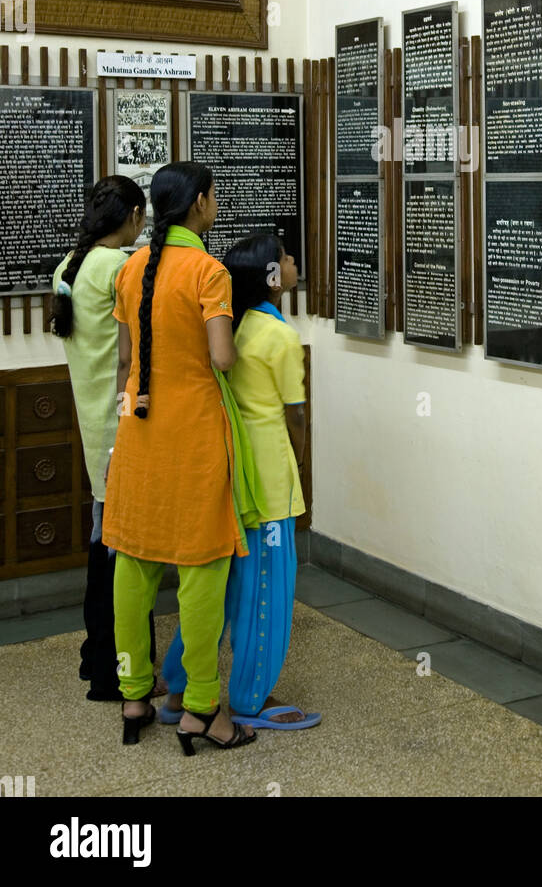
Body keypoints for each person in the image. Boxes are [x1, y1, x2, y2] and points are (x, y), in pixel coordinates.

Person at [102, 161, 257, 752]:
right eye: (214, 196)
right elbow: (221, 359)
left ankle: (134, 694)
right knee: (201, 569)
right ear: (198, 204)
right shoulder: (208, 270)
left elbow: (124, 362)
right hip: (193, 434)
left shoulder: (132, 266)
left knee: (133, 564)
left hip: (138, 430)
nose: (216, 204)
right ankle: (200, 710)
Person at [160, 233, 320, 731]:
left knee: (216, 585)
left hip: (228, 469)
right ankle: (252, 697)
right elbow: (296, 417)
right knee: (267, 588)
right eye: (288, 258)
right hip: (269, 480)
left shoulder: (233, 327)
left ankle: (178, 686)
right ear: (274, 277)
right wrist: (300, 467)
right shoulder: (282, 338)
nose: (294, 263)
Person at [51, 175, 150, 702]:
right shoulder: (120, 267)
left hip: (94, 428)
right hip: (124, 428)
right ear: (134, 216)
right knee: (122, 552)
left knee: (102, 539)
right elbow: (134, 351)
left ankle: (98, 659)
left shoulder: (69, 264)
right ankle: (119, 670)